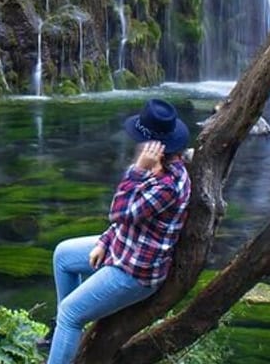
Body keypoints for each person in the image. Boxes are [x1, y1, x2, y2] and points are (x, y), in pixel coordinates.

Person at [44, 98, 192, 364]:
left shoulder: (167, 185)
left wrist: (136, 170)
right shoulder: (154, 168)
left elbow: (118, 212)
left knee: (69, 312)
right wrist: (105, 241)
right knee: (63, 255)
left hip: (135, 272)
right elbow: (123, 222)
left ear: (154, 146)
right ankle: (65, 337)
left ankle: (68, 329)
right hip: (121, 248)